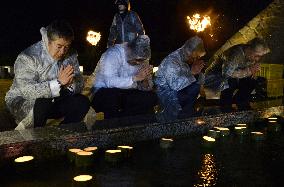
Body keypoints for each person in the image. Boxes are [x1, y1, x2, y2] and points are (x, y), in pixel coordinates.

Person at [5, 20, 90, 130]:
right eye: (59, 46)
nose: (62, 51)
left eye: (67, 46)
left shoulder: (70, 55)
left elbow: (79, 82)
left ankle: (62, 134)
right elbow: (26, 91)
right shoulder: (28, 57)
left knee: (82, 102)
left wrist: (71, 84)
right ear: (48, 41)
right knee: (43, 101)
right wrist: (58, 83)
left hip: (54, 100)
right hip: (22, 101)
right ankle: (37, 139)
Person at [91, 35, 157, 119]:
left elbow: (146, 86)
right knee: (112, 98)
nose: (138, 63)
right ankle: (114, 127)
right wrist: (135, 78)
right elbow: (109, 82)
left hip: (127, 92)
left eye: (141, 61)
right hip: (104, 91)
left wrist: (145, 80)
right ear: (130, 50)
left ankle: (137, 125)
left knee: (150, 97)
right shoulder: (113, 54)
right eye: (137, 60)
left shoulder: (142, 59)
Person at [205, 38, 270, 112]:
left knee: (254, 81)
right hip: (217, 77)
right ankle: (226, 109)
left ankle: (241, 103)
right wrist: (249, 70)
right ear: (250, 49)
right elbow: (227, 73)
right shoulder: (235, 53)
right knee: (230, 82)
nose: (257, 59)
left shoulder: (250, 56)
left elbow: (247, 71)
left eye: (260, 56)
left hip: (236, 77)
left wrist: (253, 73)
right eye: (257, 55)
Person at [154, 36, 206, 122]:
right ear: (189, 52)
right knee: (194, 88)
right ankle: (183, 118)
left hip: (178, 93)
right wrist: (192, 72)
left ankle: (187, 116)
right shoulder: (172, 61)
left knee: (196, 87)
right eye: (195, 57)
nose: (196, 60)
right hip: (167, 95)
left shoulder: (185, 60)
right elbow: (175, 85)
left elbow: (192, 80)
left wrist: (199, 72)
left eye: (198, 58)